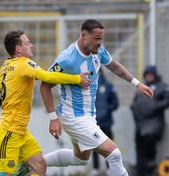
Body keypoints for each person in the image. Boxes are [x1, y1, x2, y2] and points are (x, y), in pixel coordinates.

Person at [0, 30, 91, 176]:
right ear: (18, 48)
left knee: (40, 166)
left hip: (21, 131)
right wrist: (76, 79)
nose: (31, 45)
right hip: (9, 132)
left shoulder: (7, 65)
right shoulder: (24, 64)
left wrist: (7, 79)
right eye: (28, 43)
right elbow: (47, 77)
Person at [40, 19, 153, 176]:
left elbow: (115, 66)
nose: (100, 43)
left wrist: (137, 83)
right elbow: (45, 85)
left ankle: (35, 163)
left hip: (88, 115)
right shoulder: (67, 58)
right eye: (97, 39)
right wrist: (53, 118)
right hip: (74, 117)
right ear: (83, 35)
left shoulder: (98, 50)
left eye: (101, 39)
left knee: (80, 159)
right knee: (113, 154)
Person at [130, 65, 169, 176]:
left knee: (149, 138)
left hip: (154, 121)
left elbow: (168, 100)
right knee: (139, 146)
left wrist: (154, 106)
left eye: (150, 74)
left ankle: (150, 164)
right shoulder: (141, 88)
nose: (148, 76)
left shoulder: (162, 86)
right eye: (147, 74)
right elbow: (135, 102)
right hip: (140, 123)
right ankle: (140, 170)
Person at [91, 68, 119, 176]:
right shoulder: (88, 86)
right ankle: (95, 168)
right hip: (93, 122)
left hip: (106, 122)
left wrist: (107, 109)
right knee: (94, 145)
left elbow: (115, 103)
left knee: (109, 146)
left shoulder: (109, 86)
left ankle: (109, 169)